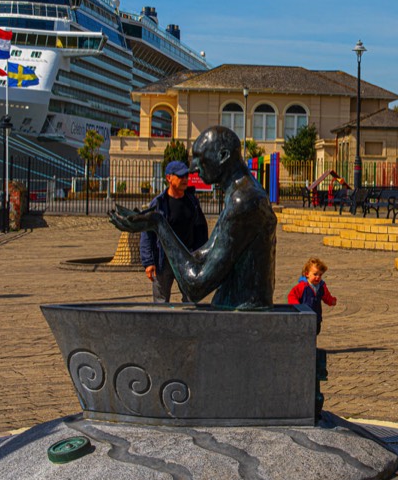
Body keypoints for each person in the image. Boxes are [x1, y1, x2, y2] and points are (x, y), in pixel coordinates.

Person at [110, 125, 278, 309]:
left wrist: (157, 223)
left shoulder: (243, 200)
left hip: (242, 314)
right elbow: (204, 254)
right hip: (235, 306)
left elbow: (196, 287)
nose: (192, 168)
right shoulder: (241, 193)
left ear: (223, 156)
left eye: (200, 157)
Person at [140, 159, 209, 303]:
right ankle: (161, 325)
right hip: (163, 259)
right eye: (180, 176)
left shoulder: (192, 202)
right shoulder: (158, 203)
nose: (185, 179)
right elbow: (147, 233)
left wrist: (201, 255)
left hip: (187, 258)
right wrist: (148, 262)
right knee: (161, 300)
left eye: (186, 176)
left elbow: (201, 228)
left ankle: (188, 324)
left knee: (191, 298)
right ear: (169, 178)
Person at [288, 257, 337, 332]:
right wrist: (297, 307)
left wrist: (331, 301)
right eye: (315, 274)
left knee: (314, 333)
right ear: (307, 274)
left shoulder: (321, 286)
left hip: (316, 318)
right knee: (304, 335)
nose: (318, 277)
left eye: (320, 275)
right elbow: (292, 296)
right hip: (303, 318)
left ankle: (311, 343)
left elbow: (326, 296)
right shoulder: (302, 286)